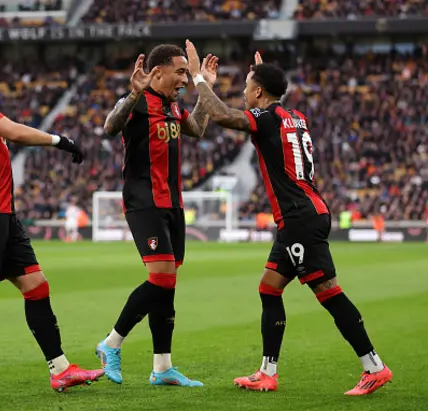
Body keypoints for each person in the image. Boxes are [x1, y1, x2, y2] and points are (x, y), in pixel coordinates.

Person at [185, 40, 392, 396]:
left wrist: (198, 80)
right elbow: (271, 112)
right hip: (304, 213)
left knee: (328, 291)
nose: (244, 92)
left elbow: (220, 115)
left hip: (299, 217)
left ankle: (374, 366)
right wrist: (263, 74)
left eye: (248, 86)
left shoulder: (265, 119)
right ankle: (267, 372)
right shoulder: (295, 116)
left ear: (259, 91)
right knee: (269, 288)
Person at [0, 35, 103, 398]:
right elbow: (12, 131)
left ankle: (61, 370)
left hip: (3, 214)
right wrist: (59, 140)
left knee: (36, 286)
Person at [95, 44, 216, 387]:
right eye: (179, 72)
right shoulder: (139, 102)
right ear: (157, 72)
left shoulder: (172, 105)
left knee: (167, 285)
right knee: (161, 279)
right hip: (144, 201)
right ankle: (111, 343)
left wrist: (204, 87)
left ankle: (162, 367)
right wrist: (133, 92)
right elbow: (108, 126)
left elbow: (197, 129)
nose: (184, 79)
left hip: (173, 204)